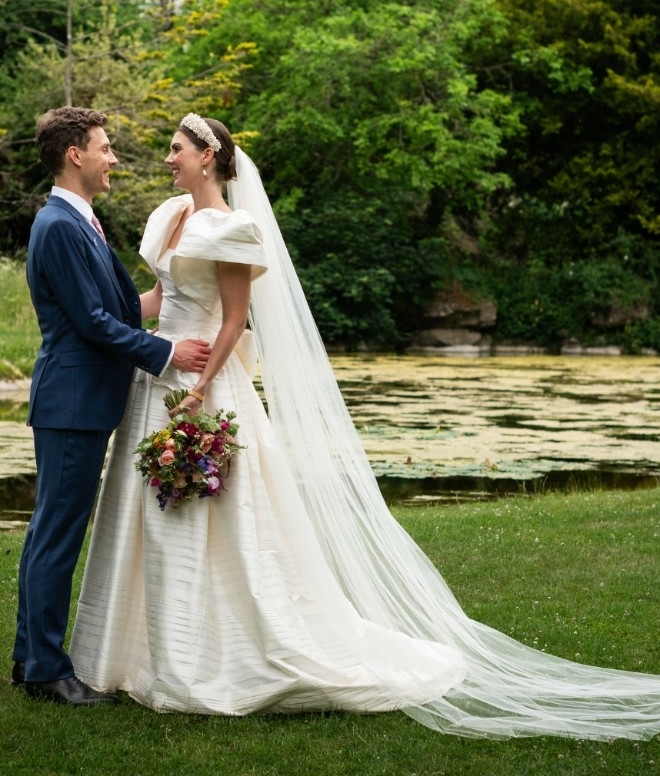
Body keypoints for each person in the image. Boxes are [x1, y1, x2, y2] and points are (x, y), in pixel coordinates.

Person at [69, 113, 660, 737]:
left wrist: (203, 391)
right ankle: (140, 653)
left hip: (203, 383)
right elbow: (162, 299)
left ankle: (215, 653)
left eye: (176, 149)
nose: (168, 158)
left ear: (209, 156)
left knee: (209, 520)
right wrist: (102, 320)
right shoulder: (169, 216)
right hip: (158, 373)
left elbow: (235, 320)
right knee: (144, 516)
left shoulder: (234, 228)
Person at [12, 107, 211, 706]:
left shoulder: (82, 221)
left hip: (79, 400)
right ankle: (47, 668)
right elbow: (94, 325)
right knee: (57, 535)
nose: (113, 158)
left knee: (51, 531)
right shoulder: (60, 226)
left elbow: (118, 308)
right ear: (76, 154)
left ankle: (30, 660)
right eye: (105, 147)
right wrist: (169, 351)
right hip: (72, 401)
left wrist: (176, 299)